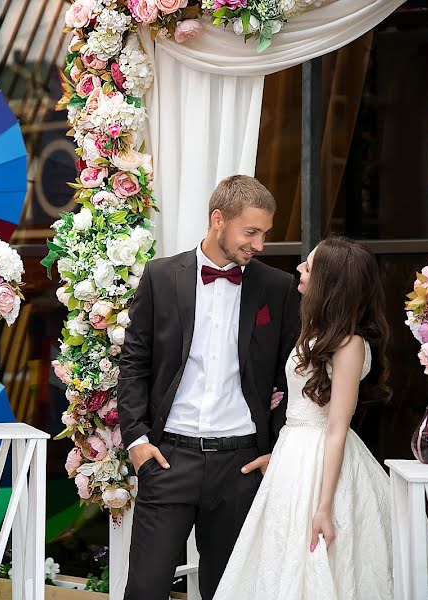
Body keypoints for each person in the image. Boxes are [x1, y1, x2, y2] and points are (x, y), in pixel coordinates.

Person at [117, 175, 301, 600]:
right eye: (250, 232)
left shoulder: (276, 287)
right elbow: (134, 363)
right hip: (168, 459)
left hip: (239, 466)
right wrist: (138, 440)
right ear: (218, 219)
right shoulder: (161, 276)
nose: (258, 244)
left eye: (264, 234)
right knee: (145, 588)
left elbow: (288, 374)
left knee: (230, 592)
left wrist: (274, 448)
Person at [214, 237, 395, 599]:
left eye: (308, 266)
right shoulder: (316, 331)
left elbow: (336, 427)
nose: (299, 269)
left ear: (329, 282)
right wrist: (279, 453)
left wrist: (324, 505)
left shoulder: (349, 343)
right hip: (292, 458)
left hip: (321, 461)